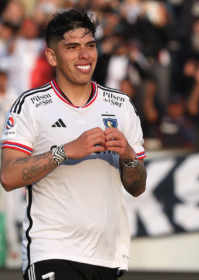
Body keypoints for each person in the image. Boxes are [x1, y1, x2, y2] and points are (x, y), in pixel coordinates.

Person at [0, 9, 147, 280]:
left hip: (108, 256)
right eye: (72, 47)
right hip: (51, 253)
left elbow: (138, 187)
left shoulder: (121, 105)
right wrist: (64, 151)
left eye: (90, 45)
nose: (85, 55)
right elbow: (8, 177)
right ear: (52, 56)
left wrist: (128, 155)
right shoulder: (30, 105)